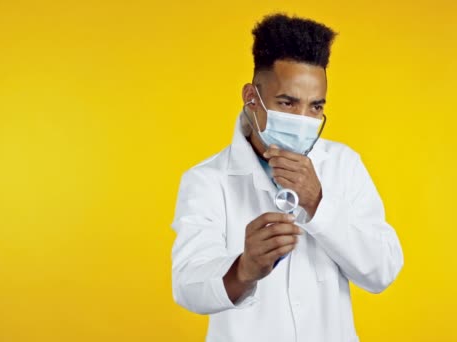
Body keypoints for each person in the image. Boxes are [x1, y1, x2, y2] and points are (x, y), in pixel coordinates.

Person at [170, 13, 404, 342]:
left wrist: (319, 203)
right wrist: (244, 269)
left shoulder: (343, 165)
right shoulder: (208, 179)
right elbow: (186, 286)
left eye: (315, 107)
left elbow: (382, 270)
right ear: (252, 97)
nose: (303, 118)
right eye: (288, 103)